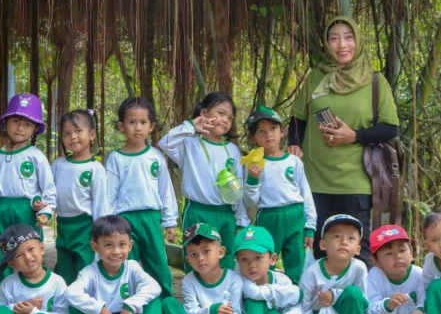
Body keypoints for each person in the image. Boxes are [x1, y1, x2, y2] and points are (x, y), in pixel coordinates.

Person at [288, 16, 400, 266]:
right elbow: (298, 118)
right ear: (327, 44)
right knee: (319, 249)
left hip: (355, 180)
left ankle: (356, 292)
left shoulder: (374, 80)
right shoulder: (316, 76)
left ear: (357, 41)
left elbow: (390, 127)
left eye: (348, 38)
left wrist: (355, 136)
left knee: (356, 252)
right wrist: (293, 143)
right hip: (314, 179)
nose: (342, 45)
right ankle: (320, 292)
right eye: (334, 39)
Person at [234, 225, 341, 314]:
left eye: (258, 258)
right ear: (237, 261)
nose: (251, 265)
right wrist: (292, 293)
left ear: (272, 259)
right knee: (256, 302)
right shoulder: (238, 280)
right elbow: (254, 293)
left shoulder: (281, 280)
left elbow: (294, 306)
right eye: (244, 259)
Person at [160, 92, 248, 268]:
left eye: (230, 117)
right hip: (197, 211)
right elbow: (165, 143)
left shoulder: (232, 150)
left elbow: (238, 188)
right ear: (204, 113)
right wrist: (191, 126)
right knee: (196, 257)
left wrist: (241, 220)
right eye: (221, 113)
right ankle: (194, 286)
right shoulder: (189, 143)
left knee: (225, 259)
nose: (225, 120)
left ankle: (225, 287)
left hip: (226, 213)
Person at [0, 93, 57, 307]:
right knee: (0, 260)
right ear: (5, 122)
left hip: (26, 212)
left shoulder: (36, 156)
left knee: (28, 259)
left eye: (27, 124)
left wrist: (45, 211)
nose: (20, 128)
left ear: (35, 129)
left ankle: (31, 309)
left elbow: (49, 190)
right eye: (15, 120)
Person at [67, 216, 164, 314]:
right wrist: (98, 309)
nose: (116, 251)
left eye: (122, 245)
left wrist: (130, 305)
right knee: (74, 306)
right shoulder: (89, 272)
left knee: (153, 299)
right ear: (95, 246)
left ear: (130, 246)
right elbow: (71, 293)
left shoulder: (132, 267)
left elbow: (153, 286)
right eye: (108, 245)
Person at [105, 97, 178, 297]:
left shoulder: (156, 156)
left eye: (143, 122)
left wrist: (170, 222)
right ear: (121, 126)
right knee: (126, 265)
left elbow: (165, 191)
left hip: (151, 218)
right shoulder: (115, 158)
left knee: (159, 264)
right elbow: (109, 194)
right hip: (124, 220)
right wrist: (108, 223)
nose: (137, 128)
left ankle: (164, 305)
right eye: (132, 122)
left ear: (151, 127)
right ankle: (127, 305)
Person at [162, 223, 256, 314]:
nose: (200, 258)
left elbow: (236, 313)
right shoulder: (189, 281)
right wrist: (212, 312)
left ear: (221, 252)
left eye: (206, 251)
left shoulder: (233, 280)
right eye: (193, 254)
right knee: (169, 303)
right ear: (188, 260)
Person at [242, 105, 316, 284]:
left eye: (273, 128)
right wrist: (252, 179)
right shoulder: (253, 164)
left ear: (282, 132)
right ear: (253, 138)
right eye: (261, 131)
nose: (269, 134)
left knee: (296, 261)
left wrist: (310, 226)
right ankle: (264, 294)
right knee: (265, 258)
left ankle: (297, 295)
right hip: (269, 216)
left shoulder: (293, 161)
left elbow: (306, 193)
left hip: (295, 215)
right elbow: (250, 201)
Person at [299, 214, 370, 314]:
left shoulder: (359, 268)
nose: (344, 241)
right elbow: (304, 306)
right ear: (323, 245)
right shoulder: (312, 272)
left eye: (351, 238)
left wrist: (335, 296)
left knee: (353, 293)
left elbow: (364, 303)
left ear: (358, 249)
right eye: (336, 236)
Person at [52, 109, 109, 284]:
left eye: (78, 131)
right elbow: (49, 192)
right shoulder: (58, 165)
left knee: (85, 270)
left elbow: (100, 204)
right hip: (62, 225)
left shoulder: (95, 168)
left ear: (92, 134)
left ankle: (87, 300)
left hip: (85, 227)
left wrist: (101, 234)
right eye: (67, 133)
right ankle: (66, 301)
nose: (73, 137)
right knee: (65, 270)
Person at [363, 225, 425, 314]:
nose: (398, 256)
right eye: (389, 253)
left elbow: (425, 302)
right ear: (375, 261)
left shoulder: (419, 274)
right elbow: (371, 307)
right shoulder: (375, 275)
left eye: (402, 250)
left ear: (411, 253)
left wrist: (420, 311)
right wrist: (388, 305)